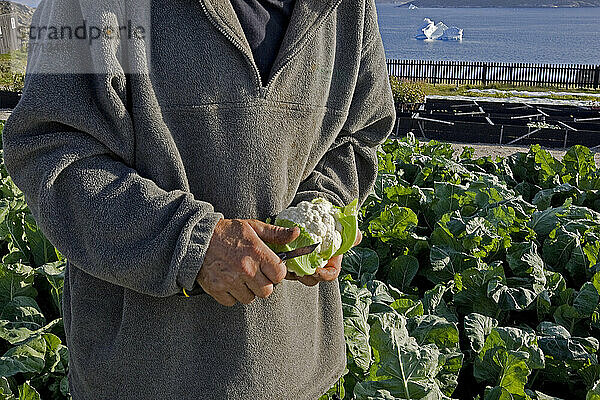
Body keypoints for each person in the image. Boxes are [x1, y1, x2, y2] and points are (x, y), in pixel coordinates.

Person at [2, 0, 396, 398]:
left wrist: (318, 211)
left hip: (296, 372)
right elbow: (49, 147)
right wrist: (192, 243)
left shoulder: (352, 7)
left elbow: (359, 133)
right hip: (144, 378)